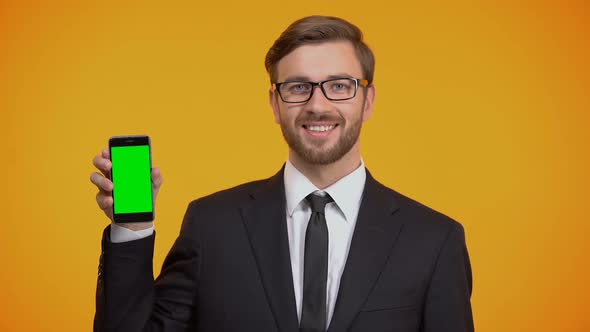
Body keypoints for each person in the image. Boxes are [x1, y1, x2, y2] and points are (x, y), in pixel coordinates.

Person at [90, 15, 474, 332]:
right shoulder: (212, 225)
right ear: (275, 103)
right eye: (298, 87)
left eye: (339, 86)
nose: (318, 105)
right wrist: (133, 231)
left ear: (367, 100)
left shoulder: (435, 241)